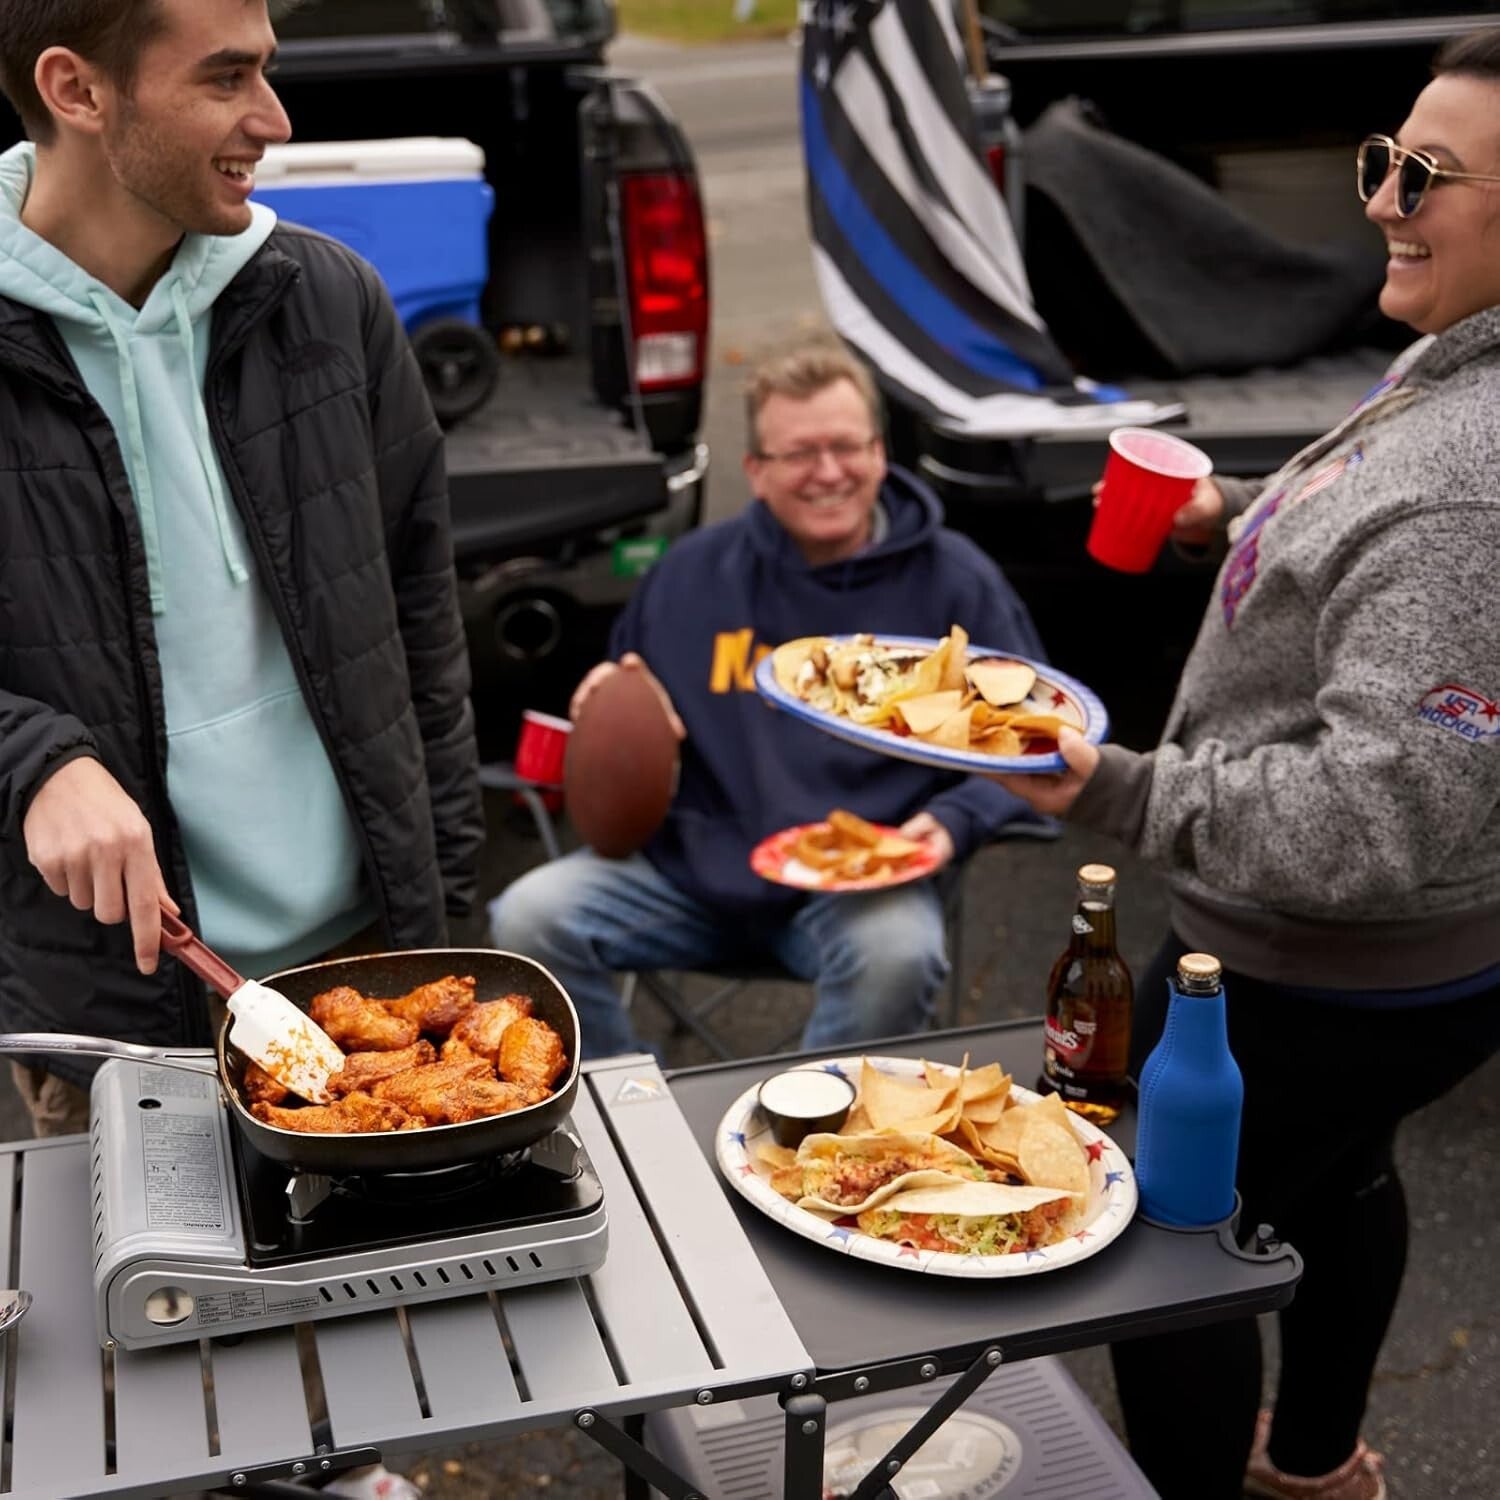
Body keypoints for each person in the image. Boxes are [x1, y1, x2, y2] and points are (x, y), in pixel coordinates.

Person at [998, 27, 1500, 1500]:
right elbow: (1376, 535)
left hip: (1331, 967)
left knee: (1161, 1255)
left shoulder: (1468, 496)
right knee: (1339, 1170)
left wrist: (1115, 789)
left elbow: (1370, 823)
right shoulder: (1455, 365)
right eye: (1382, 161)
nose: (1382, 200)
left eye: (1428, 175)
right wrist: (1239, 516)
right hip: (1390, 968)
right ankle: (1318, 1459)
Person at [0, 0, 484, 1136]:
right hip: (120, 1028)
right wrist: (31, 760)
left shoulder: (333, 304)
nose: (272, 118)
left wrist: (456, 935)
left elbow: (425, 649)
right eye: (226, 80)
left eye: (265, 71)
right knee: (170, 1322)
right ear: (78, 91)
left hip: (377, 977)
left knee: (420, 1318)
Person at [490, 339, 1048, 1058]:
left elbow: (1033, 737)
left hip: (858, 882)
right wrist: (605, 706)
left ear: (880, 453)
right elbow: (625, 716)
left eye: (846, 447)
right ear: (755, 470)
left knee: (898, 956)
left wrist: (953, 819)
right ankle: (641, 1122)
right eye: (798, 454)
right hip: (691, 871)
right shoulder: (689, 576)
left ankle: (798, 1140)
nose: (828, 473)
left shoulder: (954, 583)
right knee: (527, 922)